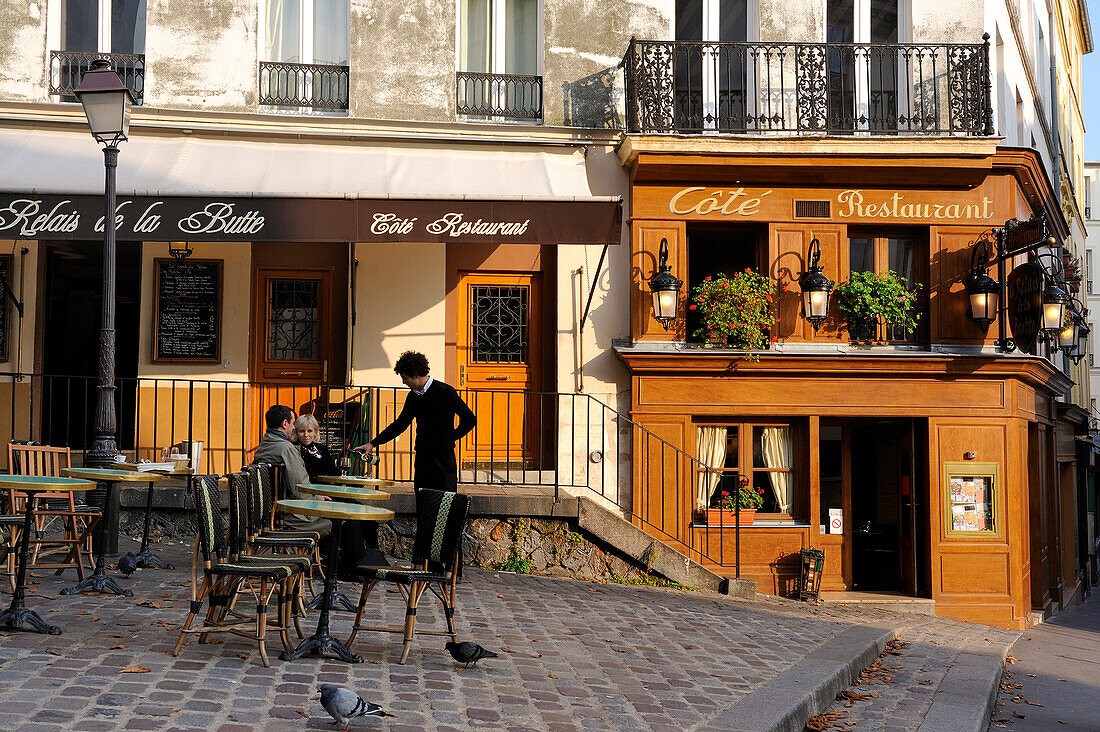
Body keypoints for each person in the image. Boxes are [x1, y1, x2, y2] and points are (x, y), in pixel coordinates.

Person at [354, 351, 475, 493]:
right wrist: (372, 443)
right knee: (423, 504)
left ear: (416, 375)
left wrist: (450, 437)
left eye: (404, 378)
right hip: (423, 458)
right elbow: (400, 424)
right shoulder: (413, 397)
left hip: (443, 459)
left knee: (444, 505)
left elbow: (469, 419)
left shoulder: (445, 391)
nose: (403, 382)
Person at [252, 404, 330, 537]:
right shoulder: (286, 449)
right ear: (285, 423)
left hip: (265, 512)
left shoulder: (263, 446)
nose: (294, 427)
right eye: (293, 423)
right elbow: (300, 489)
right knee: (335, 521)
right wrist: (320, 498)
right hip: (287, 514)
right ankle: (323, 556)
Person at [294, 414, 338, 482]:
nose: (306, 435)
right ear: (296, 433)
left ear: (315, 432)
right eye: (302, 431)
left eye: (309, 431)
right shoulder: (295, 449)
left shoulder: (322, 448)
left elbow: (333, 471)